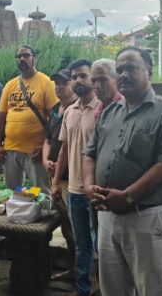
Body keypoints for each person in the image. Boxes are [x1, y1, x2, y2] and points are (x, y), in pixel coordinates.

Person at [83, 47, 162, 295]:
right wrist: (89, 186)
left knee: (150, 288)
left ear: (149, 71)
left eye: (131, 68)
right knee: (113, 288)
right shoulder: (110, 112)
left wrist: (128, 195)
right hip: (108, 216)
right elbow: (89, 153)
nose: (123, 74)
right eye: (119, 69)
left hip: (148, 217)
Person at [52, 61, 100, 296]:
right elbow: (63, 149)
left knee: (101, 244)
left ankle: (101, 284)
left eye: (83, 76)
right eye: (75, 77)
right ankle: (83, 289)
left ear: (93, 79)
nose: (78, 81)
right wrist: (55, 182)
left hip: (97, 190)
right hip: (73, 190)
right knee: (81, 244)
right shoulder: (69, 112)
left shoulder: (104, 109)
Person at [0, 44, 58, 194]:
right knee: (14, 192)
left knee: (40, 192)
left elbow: (55, 118)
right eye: (19, 56)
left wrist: (46, 147)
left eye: (26, 55)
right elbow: (1, 117)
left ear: (34, 58)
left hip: (35, 150)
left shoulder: (46, 83)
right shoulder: (10, 85)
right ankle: (19, 215)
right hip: (10, 149)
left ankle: (43, 216)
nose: (22, 59)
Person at [42, 66, 83, 283]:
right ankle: (72, 268)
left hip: (71, 178)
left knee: (78, 229)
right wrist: (45, 160)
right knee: (66, 227)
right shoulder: (55, 111)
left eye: (64, 83)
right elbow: (48, 140)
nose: (59, 88)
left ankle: (85, 273)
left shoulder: (79, 110)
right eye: (56, 84)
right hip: (55, 178)